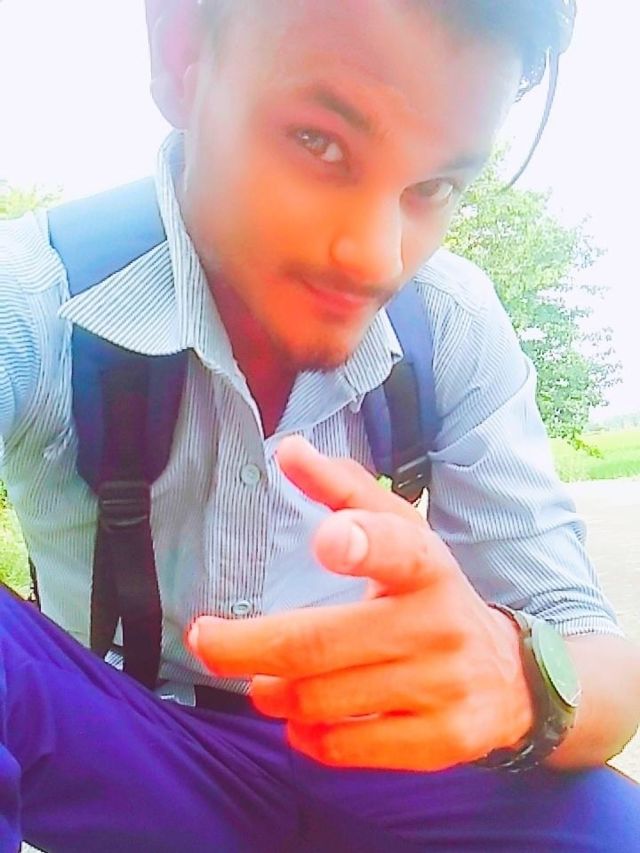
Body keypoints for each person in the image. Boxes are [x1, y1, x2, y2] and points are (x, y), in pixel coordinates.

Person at [1, 0, 639, 850]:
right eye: (320, 141)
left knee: (610, 827)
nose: (376, 257)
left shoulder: (446, 321)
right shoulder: (37, 297)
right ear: (182, 54)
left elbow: (604, 665)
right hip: (133, 747)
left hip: (380, 756)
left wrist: (514, 673)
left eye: (433, 187)